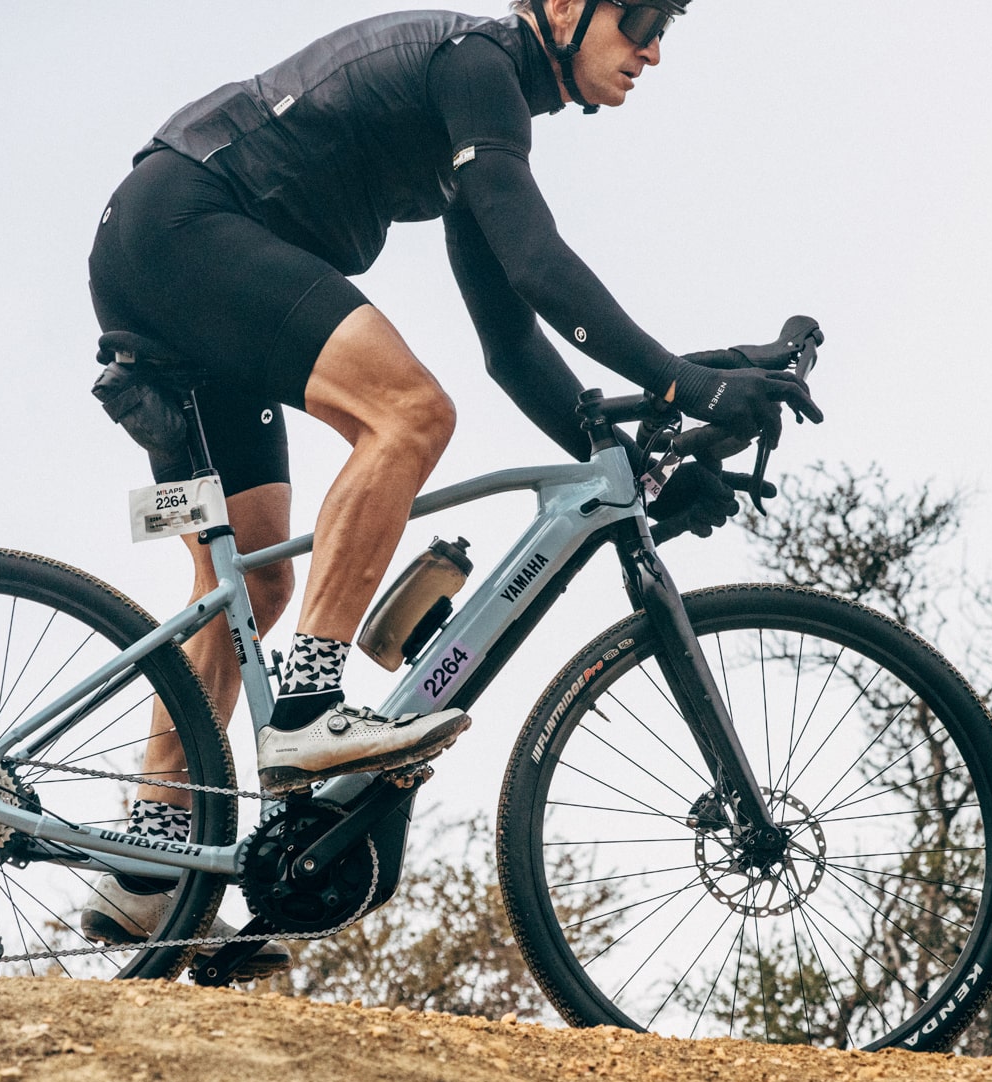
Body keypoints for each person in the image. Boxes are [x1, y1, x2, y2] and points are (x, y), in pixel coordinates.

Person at [78, 0, 818, 973]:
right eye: (638, 17)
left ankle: (148, 859)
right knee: (412, 414)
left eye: (662, 31)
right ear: (560, 8)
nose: (649, 50)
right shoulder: (480, 65)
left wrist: (643, 470)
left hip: (165, 247)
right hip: (190, 224)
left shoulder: (477, 122)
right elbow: (541, 264)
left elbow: (515, 346)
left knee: (253, 580)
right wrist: (688, 383)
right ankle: (305, 712)